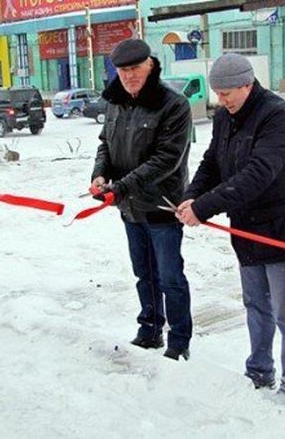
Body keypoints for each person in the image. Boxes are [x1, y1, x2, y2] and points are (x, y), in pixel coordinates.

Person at [175, 53, 285, 404]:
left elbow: (258, 174)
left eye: (228, 93)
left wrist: (204, 208)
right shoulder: (225, 118)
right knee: (255, 305)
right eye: (218, 94)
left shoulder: (276, 115)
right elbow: (211, 163)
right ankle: (259, 370)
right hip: (246, 230)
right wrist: (192, 197)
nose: (222, 100)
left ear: (247, 84)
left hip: (280, 229)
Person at [90, 39, 193, 361]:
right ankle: (150, 329)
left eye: (135, 68)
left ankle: (179, 341)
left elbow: (167, 159)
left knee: (169, 277)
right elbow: (105, 144)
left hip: (162, 205)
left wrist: (121, 186)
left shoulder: (173, 105)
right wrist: (100, 175)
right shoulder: (115, 103)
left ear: (151, 65)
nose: (130, 76)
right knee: (143, 274)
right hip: (129, 207)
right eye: (123, 70)